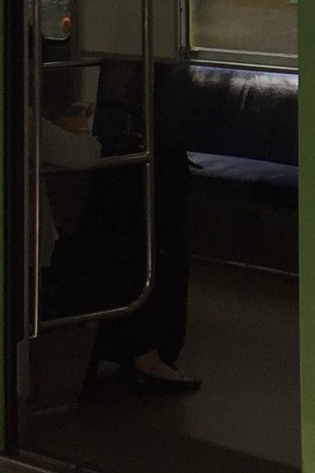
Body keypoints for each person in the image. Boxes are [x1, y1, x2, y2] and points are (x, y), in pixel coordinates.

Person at [38, 68, 197, 393]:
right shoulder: (18, 119)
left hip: (27, 267)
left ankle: (134, 352)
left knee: (112, 244)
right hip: (35, 276)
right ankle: (147, 354)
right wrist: (74, 134)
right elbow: (81, 155)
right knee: (140, 260)